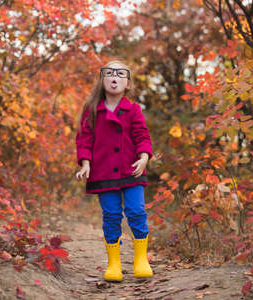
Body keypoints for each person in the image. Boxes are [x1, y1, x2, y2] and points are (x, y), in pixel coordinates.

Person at [75, 60, 154, 282]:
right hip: (104, 172)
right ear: (102, 80)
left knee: (136, 211)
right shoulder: (92, 110)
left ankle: (141, 259)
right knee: (111, 215)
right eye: (109, 72)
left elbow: (142, 135)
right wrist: (85, 163)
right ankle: (114, 263)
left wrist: (144, 156)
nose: (114, 76)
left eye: (120, 73)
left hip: (131, 170)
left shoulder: (133, 109)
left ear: (127, 83)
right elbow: (84, 139)